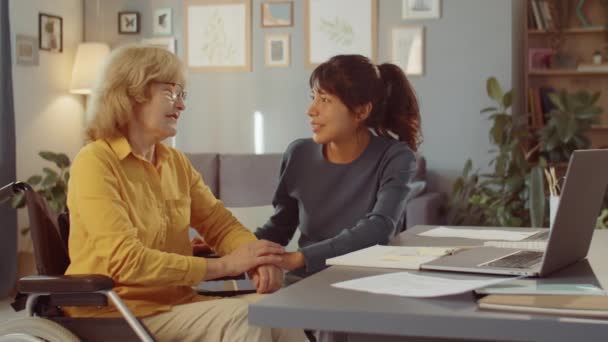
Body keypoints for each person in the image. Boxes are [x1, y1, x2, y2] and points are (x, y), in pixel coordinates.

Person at [64, 45, 304, 342]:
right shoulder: (96, 162)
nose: (181, 105)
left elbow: (220, 224)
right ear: (131, 94)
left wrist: (258, 258)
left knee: (280, 311)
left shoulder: (174, 162)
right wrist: (224, 266)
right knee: (244, 320)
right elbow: (126, 261)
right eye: (170, 92)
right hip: (118, 311)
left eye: (182, 94)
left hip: (176, 303)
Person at [255, 54, 422, 280]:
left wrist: (300, 258)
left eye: (324, 100)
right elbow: (279, 228)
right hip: (304, 284)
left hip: (370, 284)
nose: (311, 110)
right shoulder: (298, 154)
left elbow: (379, 228)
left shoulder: (395, 157)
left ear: (362, 111)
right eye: (313, 97)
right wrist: (225, 248)